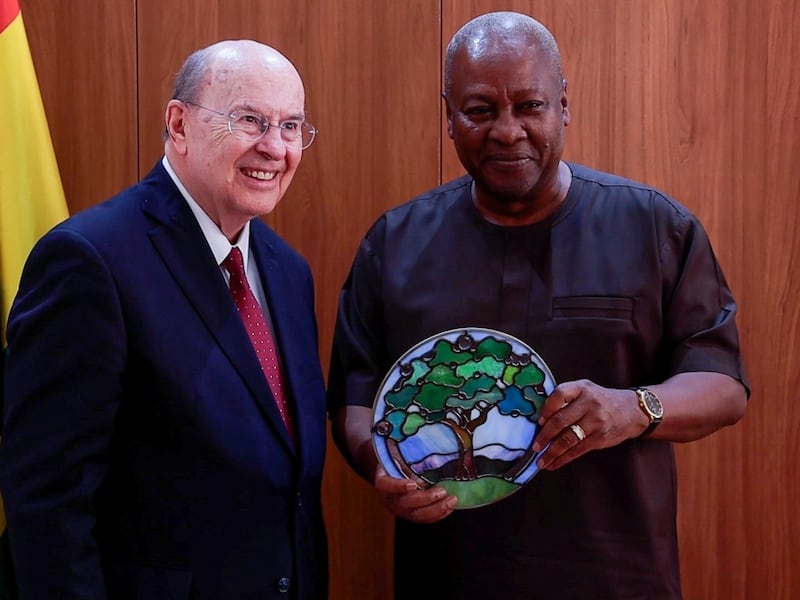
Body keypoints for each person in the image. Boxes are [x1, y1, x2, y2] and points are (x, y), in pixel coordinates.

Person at [327, 11, 749, 600]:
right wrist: (381, 466)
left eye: (529, 106)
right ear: (448, 115)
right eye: (479, 110)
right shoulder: (394, 243)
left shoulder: (654, 227)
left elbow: (724, 384)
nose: (507, 131)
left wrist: (635, 407)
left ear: (563, 104)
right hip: (448, 578)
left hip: (616, 577)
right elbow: (354, 398)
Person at [0, 40, 328, 599]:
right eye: (249, 119)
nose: (275, 147)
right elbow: (49, 500)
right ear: (179, 124)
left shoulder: (287, 272)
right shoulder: (89, 260)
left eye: (291, 126)